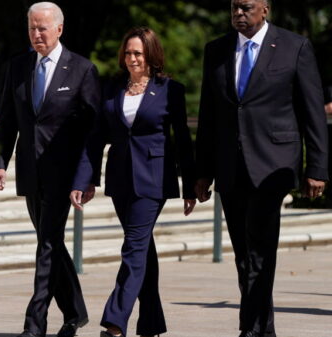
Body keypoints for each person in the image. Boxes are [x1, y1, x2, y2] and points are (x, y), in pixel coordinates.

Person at [194, 1, 328, 336]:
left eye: (247, 7)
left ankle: (250, 330)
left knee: (260, 249)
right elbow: (208, 116)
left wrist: (318, 167)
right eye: (234, 7)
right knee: (244, 254)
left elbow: (312, 111)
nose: (239, 13)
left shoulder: (294, 47)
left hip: (274, 165)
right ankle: (262, 329)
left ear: (265, 9)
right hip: (230, 165)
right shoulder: (217, 50)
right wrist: (202, 171)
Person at [70, 27, 196, 337]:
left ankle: (114, 323)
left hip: (153, 179)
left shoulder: (170, 90)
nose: (132, 58)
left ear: (152, 55)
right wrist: (85, 179)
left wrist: (192, 184)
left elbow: (182, 140)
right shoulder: (111, 88)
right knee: (142, 251)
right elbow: (96, 137)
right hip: (120, 178)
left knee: (133, 247)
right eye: (128, 52)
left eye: (138, 53)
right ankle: (151, 324)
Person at [0, 2, 100, 337]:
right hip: (30, 171)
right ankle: (75, 312)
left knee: (48, 244)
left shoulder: (81, 69)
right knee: (49, 240)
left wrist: (87, 177)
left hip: (64, 175)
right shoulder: (18, 66)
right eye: (32, 28)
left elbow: (93, 133)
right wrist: (0, 162)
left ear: (59, 29)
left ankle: (34, 323)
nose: (36, 34)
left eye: (43, 28)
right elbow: (8, 119)